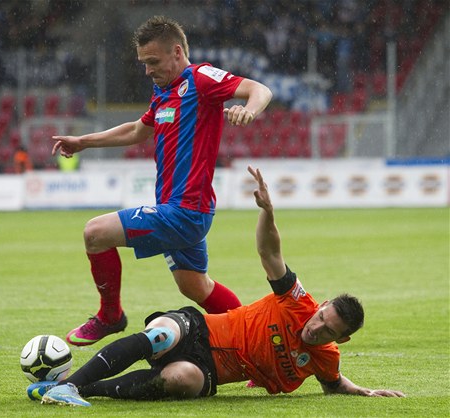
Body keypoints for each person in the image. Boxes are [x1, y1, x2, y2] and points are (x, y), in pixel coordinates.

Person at [27, 166, 405, 406]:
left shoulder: (326, 357)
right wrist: (267, 213)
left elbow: (334, 383)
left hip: (208, 370)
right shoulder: (297, 302)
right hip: (198, 328)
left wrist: (364, 392)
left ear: (341, 339)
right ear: (321, 305)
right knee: (160, 334)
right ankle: (69, 385)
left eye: (328, 330)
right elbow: (270, 253)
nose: (317, 326)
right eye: (322, 316)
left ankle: (81, 389)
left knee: (180, 380)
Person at [51, 16, 273, 347]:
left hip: (185, 212)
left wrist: (250, 110)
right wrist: (84, 141)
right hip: (178, 210)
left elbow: (260, 89)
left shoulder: (200, 79)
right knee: (196, 286)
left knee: (95, 233)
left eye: (153, 62)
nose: (147, 70)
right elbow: (137, 131)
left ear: (177, 51)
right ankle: (257, 350)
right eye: (143, 63)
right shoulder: (163, 91)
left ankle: (110, 316)